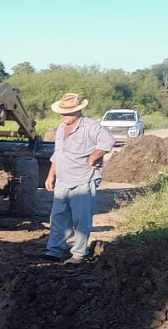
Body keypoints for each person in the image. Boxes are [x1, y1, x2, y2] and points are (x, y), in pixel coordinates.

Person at [43, 93, 115, 264]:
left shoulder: (90, 127)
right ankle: (54, 250)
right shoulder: (61, 127)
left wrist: (93, 157)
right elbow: (58, 154)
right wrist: (51, 174)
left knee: (80, 218)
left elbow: (108, 142)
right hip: (62, 179)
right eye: (61, 112)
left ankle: (78, 254)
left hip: (83, 179)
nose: (63, 116)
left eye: (67, 113)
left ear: (78, 111)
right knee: (58, 217)